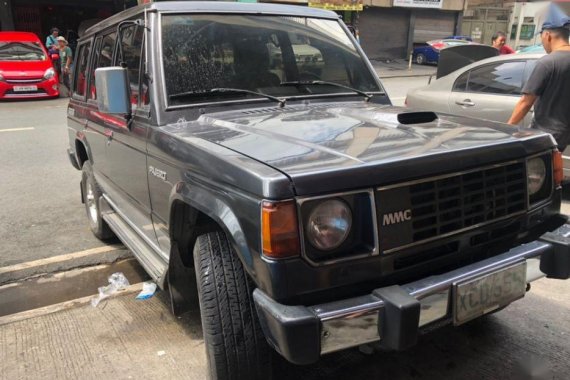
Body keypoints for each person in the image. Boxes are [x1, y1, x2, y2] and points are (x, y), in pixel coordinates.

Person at [507, 5, 570, 150]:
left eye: (541, 36)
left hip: (545, 133)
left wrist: (507, 129)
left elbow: (525, 103)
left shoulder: (547, 63)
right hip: (564, 135)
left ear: (547, 35)